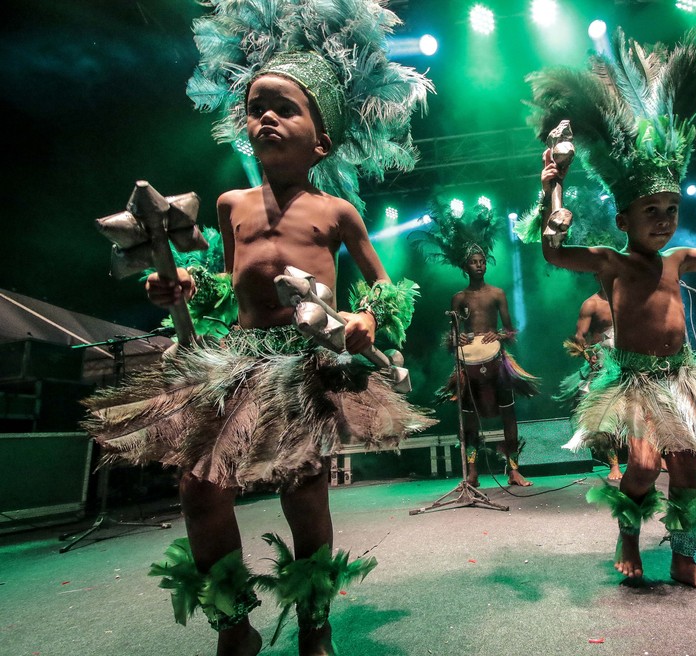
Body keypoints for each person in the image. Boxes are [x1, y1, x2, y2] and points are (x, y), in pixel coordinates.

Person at [84, 4, 434, 655]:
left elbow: (387, 288)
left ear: (321, 142)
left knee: (303, 487)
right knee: (200, 486)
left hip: (304, 363)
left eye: (285, 108)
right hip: (240, 362)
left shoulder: (337, 211)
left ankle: (314, 621)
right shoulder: (230, 206)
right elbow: (225, 284)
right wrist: (185, 286)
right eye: (257, 107)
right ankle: (233, 626)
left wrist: (367, 318)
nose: (267, 117)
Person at [528, 27, 696, 596]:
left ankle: (683, 561)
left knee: (687, 474)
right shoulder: (610, 263)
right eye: (652, 209)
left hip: (683, 377)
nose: (664, 219)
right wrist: (551, 192)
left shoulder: (681, 258)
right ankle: (627, 536)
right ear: (624, 218)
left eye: (671, 208)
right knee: (643, 468)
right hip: (637, 383)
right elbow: (550, 249)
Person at [414, 201, 539, 487]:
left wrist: (501, 335)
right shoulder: (458, 298)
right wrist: (456, 339)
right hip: (468, 363)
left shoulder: (497, 293)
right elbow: (452, 337)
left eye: (482, 261)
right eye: (474, 262)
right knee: (468, 422)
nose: (480, 265)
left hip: (496, 361)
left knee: (509, 415)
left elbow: (510, 329)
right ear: (465, 266)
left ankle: (514, 469)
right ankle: (471, 472)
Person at [558, 283, 623, 479]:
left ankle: (652, 457)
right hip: (603, 362)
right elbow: (579, 337)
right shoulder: (591, 304)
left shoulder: (627, 297)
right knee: (605, 415)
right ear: (598, 274)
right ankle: (614, 465)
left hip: (627, 358)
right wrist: (588, 354)